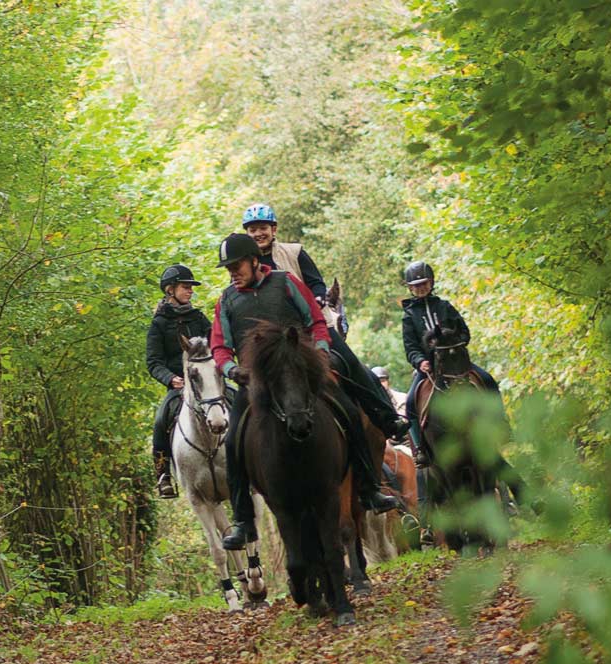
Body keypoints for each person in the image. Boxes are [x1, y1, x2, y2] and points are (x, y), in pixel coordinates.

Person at [210, 233, 401, 550]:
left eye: (236, 265)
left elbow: (316, 322)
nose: (232, 272)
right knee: (233, 442)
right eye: (227, 268)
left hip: (299, 370)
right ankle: (243, 522)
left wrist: (322, 351)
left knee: (349, 413)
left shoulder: (286, 283)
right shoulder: (226, 300)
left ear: (255, 261)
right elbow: (219, 347)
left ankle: (369, 489)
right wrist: (231, 370)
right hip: (257, 381)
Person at [241, 203, 410, 441]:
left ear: (274, 229)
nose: (258, 233)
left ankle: (387, 419)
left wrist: (318, 297)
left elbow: (316, 282)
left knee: (351, 363)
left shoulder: (294, 252)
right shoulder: (244, 263)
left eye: (263, 228)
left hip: (311, 326)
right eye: (253, 230)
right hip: (272, 338)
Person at [399, 261, 495, 469]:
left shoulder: (445, 306)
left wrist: (455, 344)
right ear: (410, 288)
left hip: (454, 362)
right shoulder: (408, 317)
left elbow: (464, 332)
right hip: (430, 368)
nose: (420, 288)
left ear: (431, 283)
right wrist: (420, 361)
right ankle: (420, 449)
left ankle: (500, 424)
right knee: (410, 402)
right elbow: (410, 347)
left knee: (487, 379)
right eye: (416, 285)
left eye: (424, 283)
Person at [146, 264, 211, 498]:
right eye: (186, 287)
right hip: (180, 386)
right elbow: (154, 362)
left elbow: (215, 343)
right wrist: (171, 378)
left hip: (206, 383)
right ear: (170, 290)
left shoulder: (199, 317)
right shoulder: (159, 324)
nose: (190, 291)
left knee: (235, 402)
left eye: (191, 287)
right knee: (160, 420)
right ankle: (163, 475)